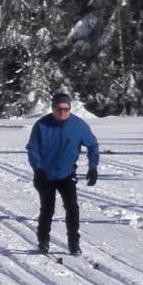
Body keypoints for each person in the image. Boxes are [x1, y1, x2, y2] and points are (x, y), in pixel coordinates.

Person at [24, 93, 100, 255]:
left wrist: (93, 167)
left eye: (66, 109)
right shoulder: (42, 125)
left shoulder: (78, 126)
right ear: (52, 109)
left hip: (67, 174)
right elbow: (32, 148)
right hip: (45, 175)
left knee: (72, 208)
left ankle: (74, 243)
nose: (63, 112)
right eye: (59, 109)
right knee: (47, 209)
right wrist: (37, 169)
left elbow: (93, 145)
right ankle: (43, 241)